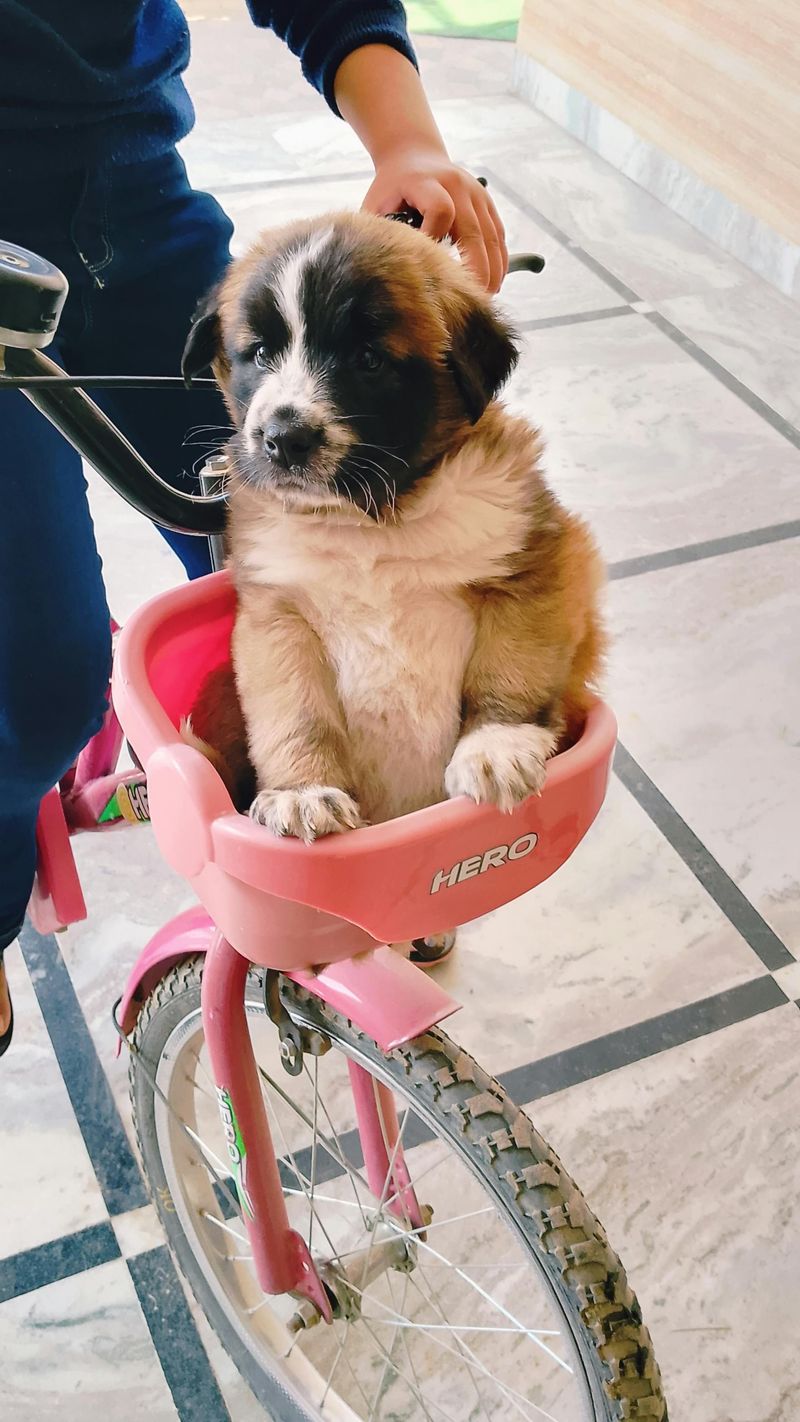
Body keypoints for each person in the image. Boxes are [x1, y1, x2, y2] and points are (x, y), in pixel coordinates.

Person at [0, 1, 508, 1055]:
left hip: (133, 209)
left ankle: (360, 830)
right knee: (33, 690)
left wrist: (406, 139)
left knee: (343, 567)